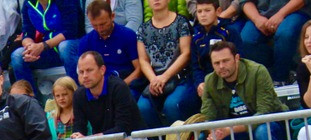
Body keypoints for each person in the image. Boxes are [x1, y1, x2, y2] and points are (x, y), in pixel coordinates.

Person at [136, 0, 199, 128]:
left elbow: (186, 53)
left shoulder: (181, 22)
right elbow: (143, 60)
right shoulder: (143, 29)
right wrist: (153, 79)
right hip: (154, 80)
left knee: (172, 105)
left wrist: (165, 77)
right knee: (142, 107)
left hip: (180, 77)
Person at [11, 0, 84, 95]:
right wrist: (30, 48)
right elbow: (27, 33)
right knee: (17, 56)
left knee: (64, 47)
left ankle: (79, 97)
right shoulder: (28, 4)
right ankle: (30, 104)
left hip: (72, 45)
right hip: (48, 50)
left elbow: (70, 31)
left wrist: (43, 46)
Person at [238, 0, 311, 86]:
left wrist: (280, 15)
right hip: (261, 15)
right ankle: (276, 72)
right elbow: (245, 2)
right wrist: (257, 19)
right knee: (247, 40)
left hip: (295, 11)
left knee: (285, 34)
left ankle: (280, 78)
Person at [79, 0, 141, 85]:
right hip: (99, 88)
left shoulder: (128, 35)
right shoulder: (86, 42)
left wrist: (121, 86)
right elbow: (81, 75)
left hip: (126, 85)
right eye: (95, 25)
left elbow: (139, 69)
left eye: (103, 24)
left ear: (112, 16)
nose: (99, 29)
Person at [191, 0, 241, 97]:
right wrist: (200, 83)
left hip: (228, 79)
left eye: (207, 10)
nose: (203, 15)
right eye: (199, 11)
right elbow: (195, 66)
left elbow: (239, 59)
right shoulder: (195, 38)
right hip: (205, 82)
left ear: (218, 11)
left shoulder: (229, 32)